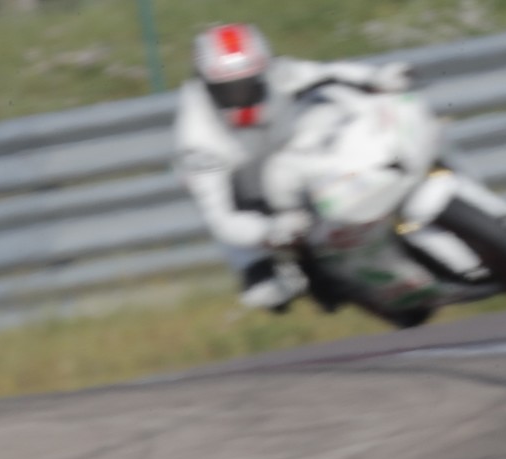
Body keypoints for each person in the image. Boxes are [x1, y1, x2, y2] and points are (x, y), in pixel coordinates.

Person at [174, 23, 416, 311]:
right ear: (206, 85)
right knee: (266, 294)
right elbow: (221, 219)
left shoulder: (277, 74)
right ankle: (273, 273)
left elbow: (328, 73)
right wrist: (268, 231)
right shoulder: (197, 140)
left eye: (248, 85)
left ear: (262, 73)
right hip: (249, 205)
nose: (241, 96)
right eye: (229, 90)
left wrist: (375, 77)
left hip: (291, 168)